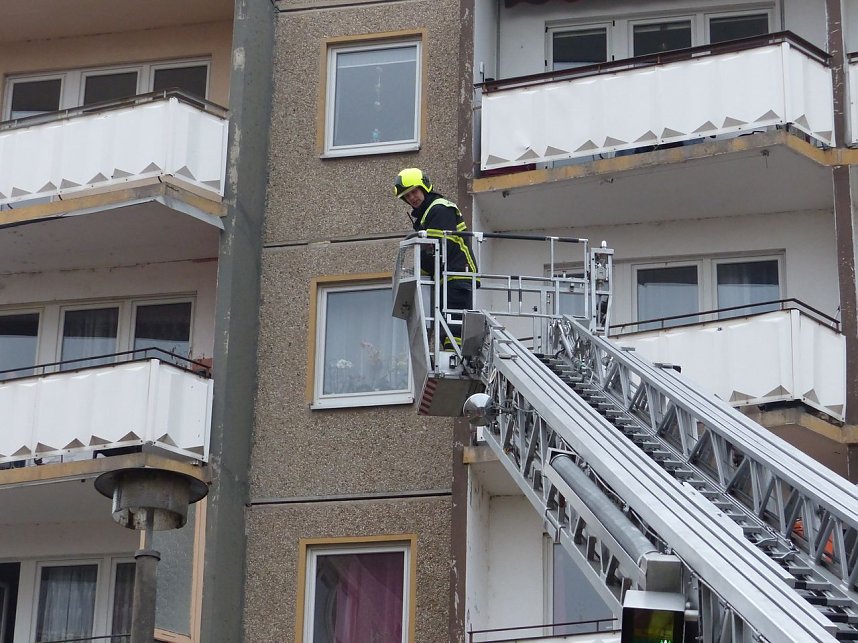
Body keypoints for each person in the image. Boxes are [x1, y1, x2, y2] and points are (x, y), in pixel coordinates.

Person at [394, 168, 478, 348]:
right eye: (407, 196)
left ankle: (456, 357)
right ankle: (452, 354)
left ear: (424, 187)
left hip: (457, 274)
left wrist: (418, 273)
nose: (412, 198)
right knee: (446, 325)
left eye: (414, 192)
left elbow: (435, 249)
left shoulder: (439, 208)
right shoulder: (426, 214)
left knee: (454, 325)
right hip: (446, 277)